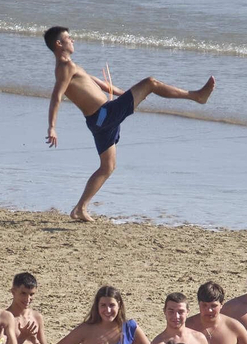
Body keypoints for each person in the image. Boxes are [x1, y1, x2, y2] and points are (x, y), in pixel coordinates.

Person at [43, 26, 214, 222]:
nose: (72, 40)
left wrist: (125, 95)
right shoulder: (65, 67)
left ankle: (80, 208)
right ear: (59, 44)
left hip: (99, 120)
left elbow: (102, 84)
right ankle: (197, 96)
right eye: (68, 38)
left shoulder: (71, 66)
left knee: (108, 166)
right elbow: (56, 96)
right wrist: (52, 127)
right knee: (151, 83)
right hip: (105, 115)